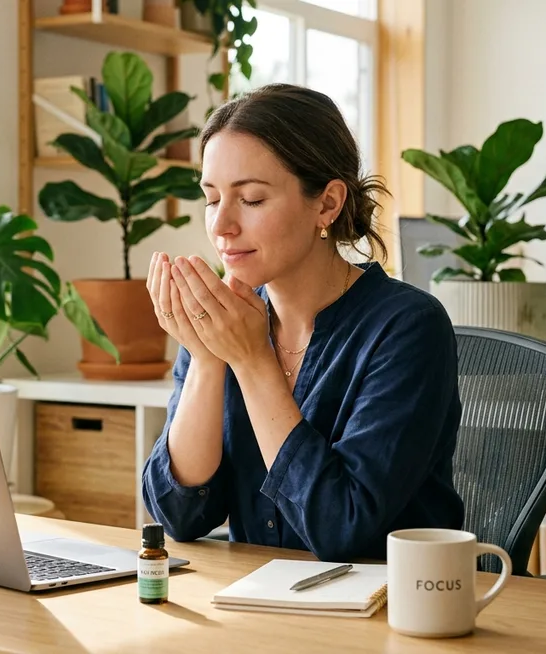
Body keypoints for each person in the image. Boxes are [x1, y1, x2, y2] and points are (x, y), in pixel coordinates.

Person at [139, 84, 465, 563]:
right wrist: (208, 360)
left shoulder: (409, 327)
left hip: (390, 601)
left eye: (251, 199)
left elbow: (342, 529)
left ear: (327, 204)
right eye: (211, 199)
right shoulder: (226, 323)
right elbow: (178, 515)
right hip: (256, 599)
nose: (222, 225)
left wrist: (252, 362)